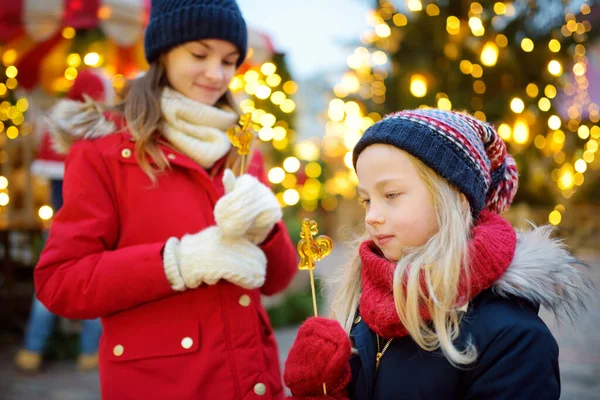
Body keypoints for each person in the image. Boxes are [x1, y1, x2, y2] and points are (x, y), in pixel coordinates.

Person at [33, 0, 298, 398]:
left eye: (229, 60)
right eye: (199, 54)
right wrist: (178, 262)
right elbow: (60, 282)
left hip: (253, 382)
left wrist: (266, 230)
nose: (216, 74)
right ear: (164, 51)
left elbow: (277, 280)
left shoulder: (243, 149)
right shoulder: (104, 151)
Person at [283, 109, 592, 400]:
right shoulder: (366, 303)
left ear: (455, 200)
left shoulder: (514, 341)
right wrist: (325, 389)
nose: (371, 216)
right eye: (366, 200)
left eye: (391, 195)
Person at [15, 69, 112, 373]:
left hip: (60, 224)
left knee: (47, 290)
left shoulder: (57, 127)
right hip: (96, 227)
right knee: (95, 288)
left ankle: (32, 349)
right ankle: (88, 353)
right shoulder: (102, 130)